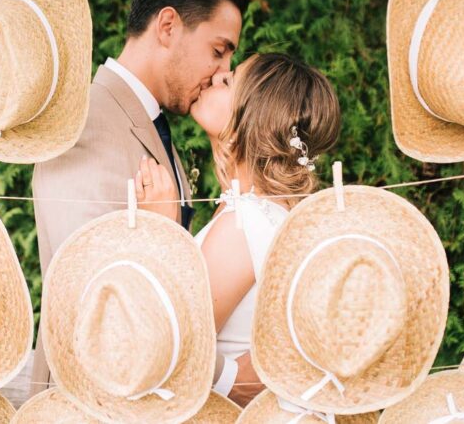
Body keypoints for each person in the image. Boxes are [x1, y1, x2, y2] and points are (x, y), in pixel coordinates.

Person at [30, 0, 249, 396]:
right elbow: (94, 302)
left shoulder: (147, 122)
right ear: (168, 26)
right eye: (218, 50)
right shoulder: (88, 124)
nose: (223, 70)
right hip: (91, 400)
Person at [136, 52, 342, 404]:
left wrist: (159, 230)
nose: (216, 76)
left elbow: (169, 345)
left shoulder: (246, 223)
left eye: (229, 81)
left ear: (258, 117)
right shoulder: (262, 214)